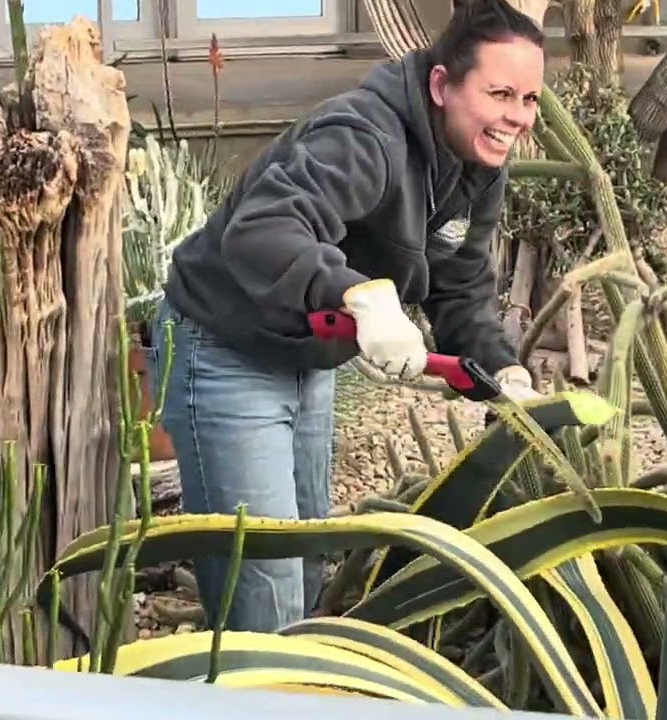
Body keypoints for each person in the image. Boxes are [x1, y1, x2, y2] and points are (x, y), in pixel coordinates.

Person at [143, 0, 548, 634]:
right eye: (500, 93)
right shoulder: (362, 137)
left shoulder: (478, 162)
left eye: (528, 100)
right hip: (227, 346)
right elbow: (264, 230)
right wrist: (361, 294)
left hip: (309, 352)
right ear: (442, 85)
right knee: (264, 588)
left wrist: (502, 368)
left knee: (304, 564)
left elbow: (462, 284)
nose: (516, 117)